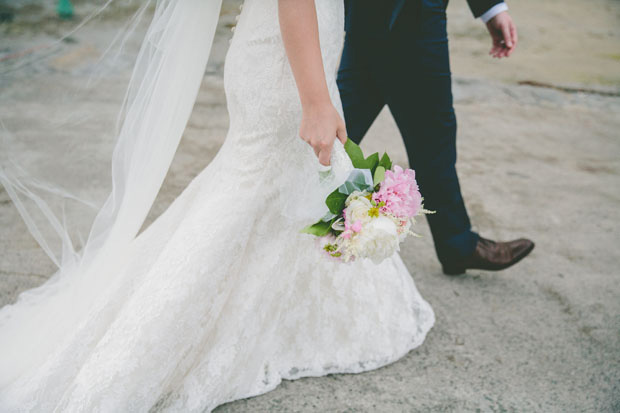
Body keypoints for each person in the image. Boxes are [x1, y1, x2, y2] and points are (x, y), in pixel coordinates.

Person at [0, 1, 435, 411]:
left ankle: (279, 324)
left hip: (297, 52)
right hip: (289, 64)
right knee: (248, 194)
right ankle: (132, 351)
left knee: (286, 186)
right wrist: (315, 100)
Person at [337, 0, 535, 275]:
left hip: (379, 14)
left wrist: (491, 8)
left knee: (339, 129)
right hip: (411, 16)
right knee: (427, 134)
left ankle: (457, 242)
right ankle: (457, 244)